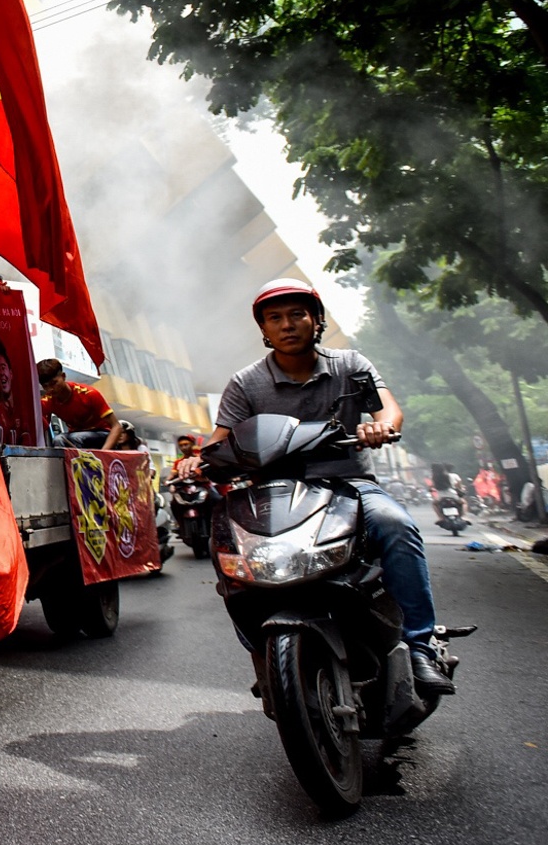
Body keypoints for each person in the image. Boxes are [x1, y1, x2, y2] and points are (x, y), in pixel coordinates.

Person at [182, 278, 451, 695]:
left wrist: (381, 426)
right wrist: (200, 459)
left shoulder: (350, 365)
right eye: (275, 318)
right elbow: (220, 437)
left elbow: (388, 409)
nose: (287, 325)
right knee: (229, 551)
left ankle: (420, 645)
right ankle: (261, 655)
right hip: (272, 493)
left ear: (316, 320)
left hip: (348, 485)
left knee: (397, 525)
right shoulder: (246, 383)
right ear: (264, 330)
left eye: (296, 314)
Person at [38, 358, 126, 451]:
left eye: (54, 383)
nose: (50, 389)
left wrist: (103, 453)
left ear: (63, 376)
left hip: (102, 434)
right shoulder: (47, 401)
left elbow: (116, 426)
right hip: (76, 436)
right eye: (45, 386)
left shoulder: (89, 394)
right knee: (58, 440)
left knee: (76, 438)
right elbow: (41, 428)